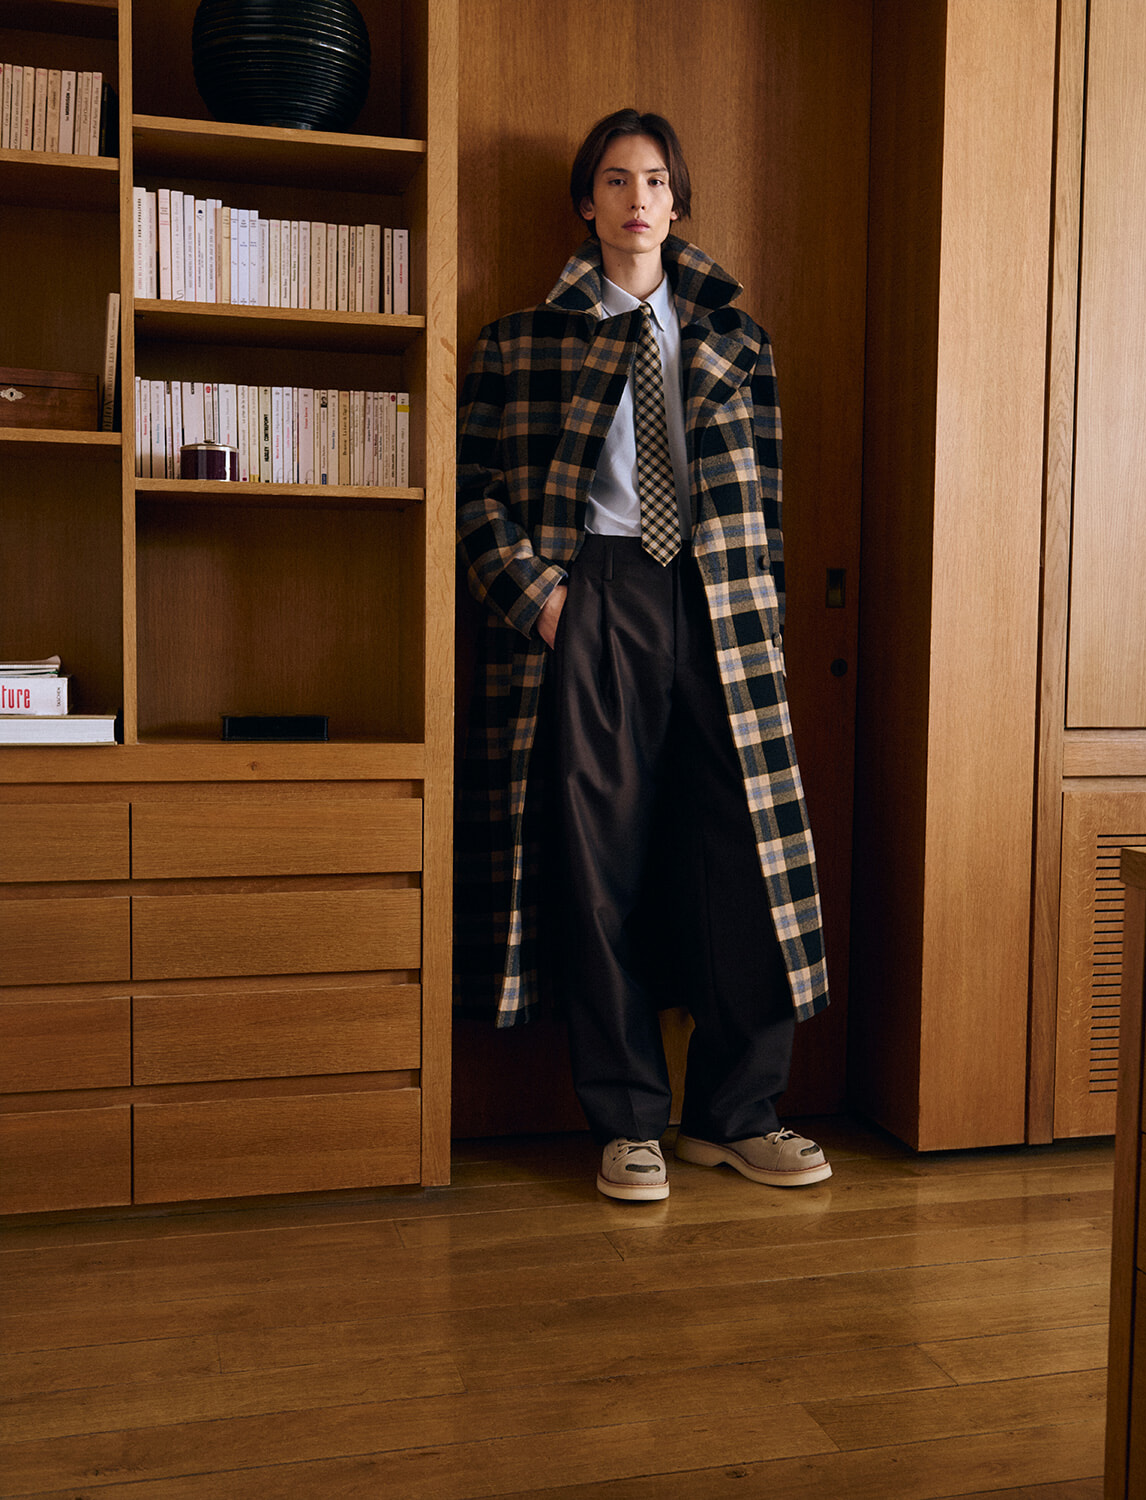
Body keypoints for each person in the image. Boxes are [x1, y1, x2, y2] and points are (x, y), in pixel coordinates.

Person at [456, 108, 832, 1202]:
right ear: (588, 203)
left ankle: (736, 1112)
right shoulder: (521, 340)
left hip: (717, 601)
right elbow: (474, 498)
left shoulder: (736, 342)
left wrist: (756, 619)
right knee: (595, 860)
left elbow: (764, 503)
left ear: (676, 204)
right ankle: (626, 1122)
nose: (635, 198)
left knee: (745, 856)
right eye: (615, 179)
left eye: (655, 180)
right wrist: (547, 603)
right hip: (594, 596)